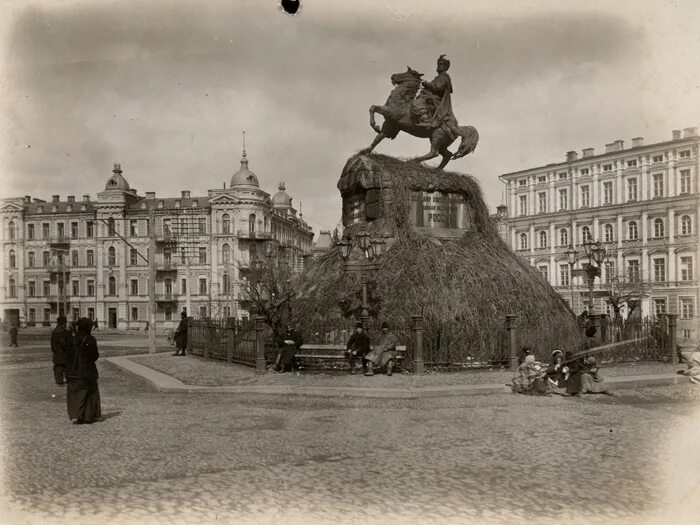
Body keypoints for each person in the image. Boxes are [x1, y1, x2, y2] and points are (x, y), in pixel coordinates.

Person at [65, 317, 102, 424]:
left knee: (74, 393)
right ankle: (89, 416)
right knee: (90, 393)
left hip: (72, 372)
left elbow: (68, 355)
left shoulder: (71, 338)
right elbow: (94, 356)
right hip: (87, 371)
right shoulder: (90, 339)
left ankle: (75, 414)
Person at [413, 55, 459, 139]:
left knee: (417, 103)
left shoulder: (444, 77)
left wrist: (427, 84)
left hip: (436, 99)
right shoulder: (439, 77)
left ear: (445, 67)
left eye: (441, 64)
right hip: (431, 96)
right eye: (438, 64)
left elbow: (438, 87)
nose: (439, 66)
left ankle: (426, 120)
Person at [50, 316, 73, 385]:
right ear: (64, 323)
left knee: (58, 367)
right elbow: (64, 343)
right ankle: (63, 380)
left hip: (57, 352)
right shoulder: (62, 331)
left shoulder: (55, 330)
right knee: (64, 366)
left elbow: (52, 342)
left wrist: (54, 350)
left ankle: (59, 381)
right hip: (62, 352)